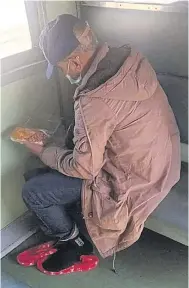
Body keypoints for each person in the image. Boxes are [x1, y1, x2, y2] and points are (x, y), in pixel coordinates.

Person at [22, 14, 180, 273]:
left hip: (134, 181)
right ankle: (74, 221)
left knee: (34, 190)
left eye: (61, 68)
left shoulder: (93, 99)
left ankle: (73, 241)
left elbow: (85, 169)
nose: (63, 75)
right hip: (161, 162)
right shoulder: (129, 59)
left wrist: (44, 151)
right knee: (44, 168)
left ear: (74, 61)